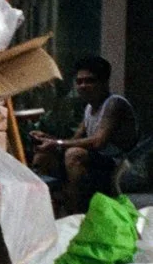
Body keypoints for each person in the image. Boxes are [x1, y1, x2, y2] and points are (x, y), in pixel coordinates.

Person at [31, 55, 137, 215]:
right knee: (44, 153)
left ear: (104, 83)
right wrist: (48, 138)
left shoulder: (114, 104)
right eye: (79, 82)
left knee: (74, 154)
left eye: (90, 81)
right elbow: (75, 140)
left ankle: (76, 212)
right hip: (98, 161)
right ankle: (45, 209)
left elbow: (98, 142)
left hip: (119, 165)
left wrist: (57, 143)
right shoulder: (89, 107)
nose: (83, 86)